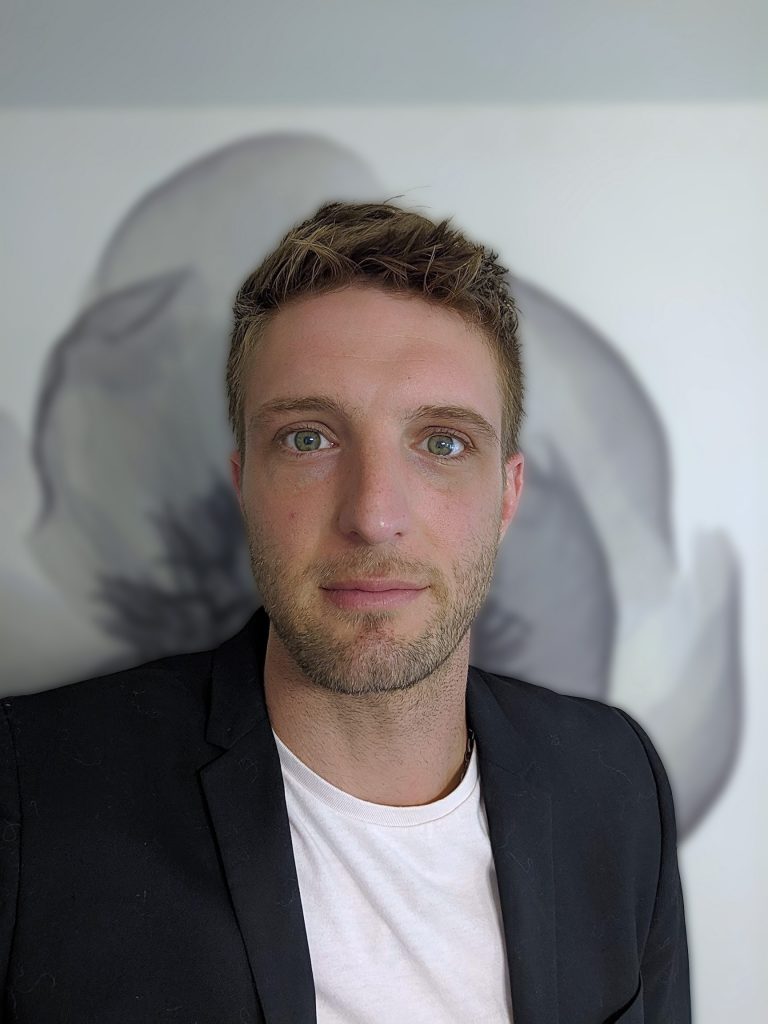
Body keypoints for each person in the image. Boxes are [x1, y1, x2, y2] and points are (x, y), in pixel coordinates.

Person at [0, 201, 690, 1023]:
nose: (372, 513)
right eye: (307, 439)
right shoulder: (30, 793)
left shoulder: (615, 785)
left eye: (441, 442)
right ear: (242, 482)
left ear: (507, 496)